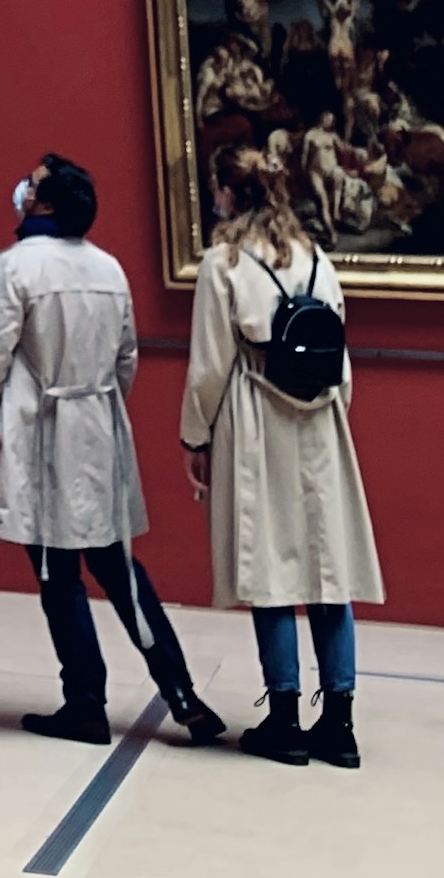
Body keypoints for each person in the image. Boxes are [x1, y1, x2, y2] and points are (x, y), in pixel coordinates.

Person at [0, 153, 223, 748]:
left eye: (32, 187)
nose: (22, 192)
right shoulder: (109, 268)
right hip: (98, 430)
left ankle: (85, 702)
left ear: (49, 204)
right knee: (119, 568)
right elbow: (127, 358)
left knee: (58, 574)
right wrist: (98, 406)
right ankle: (182, 692)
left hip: (41, 431)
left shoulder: (14, 268)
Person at [182, 140, 384, 769]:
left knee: (270, 569)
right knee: (329, 572)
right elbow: (341, 360)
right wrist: (328, 415)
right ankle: (341, 726)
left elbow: (211, 368)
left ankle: (287, 722)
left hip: (255, 418)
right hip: (320, 421)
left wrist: (196, 437)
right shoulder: (319, 259)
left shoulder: (224, 262)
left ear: (226, 194)